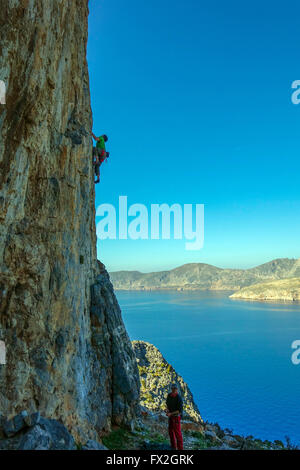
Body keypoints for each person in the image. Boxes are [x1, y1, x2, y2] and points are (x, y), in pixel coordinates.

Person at [166, 384, 184, 450]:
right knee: (170, 432)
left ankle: (180, 448)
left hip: (176, 417)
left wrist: (170, 413)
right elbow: (167, 405)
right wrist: (167, 411)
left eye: (175, 389)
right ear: (171, 389)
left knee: (178, 434)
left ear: (177, 390)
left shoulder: (178, 398)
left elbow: (179, 411)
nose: (174, 390)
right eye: (173, 388)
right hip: (171, 417)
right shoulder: (169, 396)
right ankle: (173, 447)